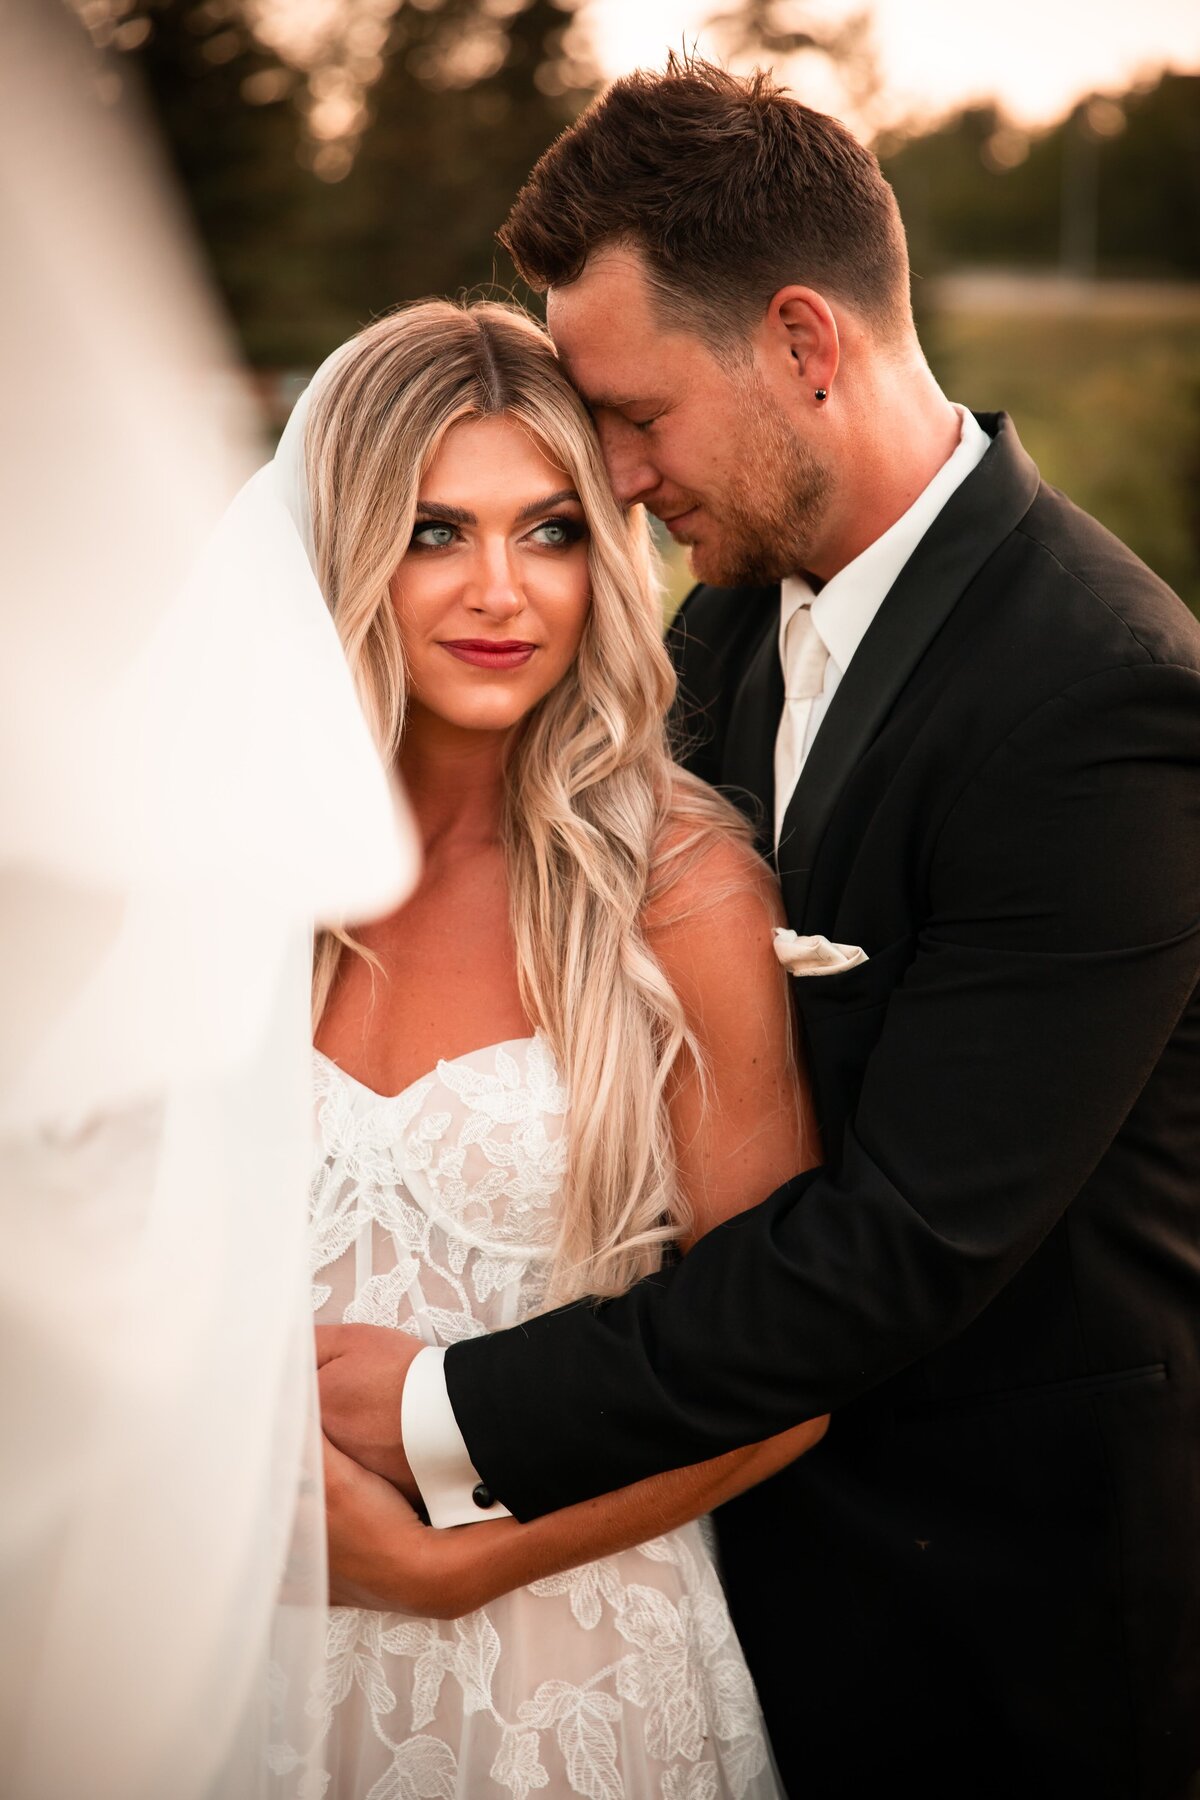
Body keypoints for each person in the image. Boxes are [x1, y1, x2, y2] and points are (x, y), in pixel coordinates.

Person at [317, 59, 1200, 1800]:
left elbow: (900, 1248)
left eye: (634, 418)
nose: (623, 486)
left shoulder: (1101, 698)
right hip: (736, 1578)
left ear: (805, 341)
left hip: (1012, 1622)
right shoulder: (729, 631)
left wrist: (444, 1425)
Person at [286, 298, 830, 1798]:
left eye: (552, 531)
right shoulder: (233, 892)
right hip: (237, 1646)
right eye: (434, 531)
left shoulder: (679, 894)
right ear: (344, 550)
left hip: (570, 1677)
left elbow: (781, 1376)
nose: (501, 591)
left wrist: (461, 1570)